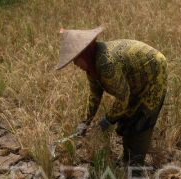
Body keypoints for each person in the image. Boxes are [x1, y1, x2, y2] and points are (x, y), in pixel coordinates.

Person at [56, 26, 168, 168]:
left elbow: (123, 97)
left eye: (75, 59)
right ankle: (128, 159)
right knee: (127, 118)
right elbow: (95, 95)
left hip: (153, 73)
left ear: (84, 55)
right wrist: (86, 121)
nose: (74, 64)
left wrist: (107, 120)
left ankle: (136, 170)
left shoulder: (105, 64)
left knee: (140, 120)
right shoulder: (92, 68)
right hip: (134, 79)